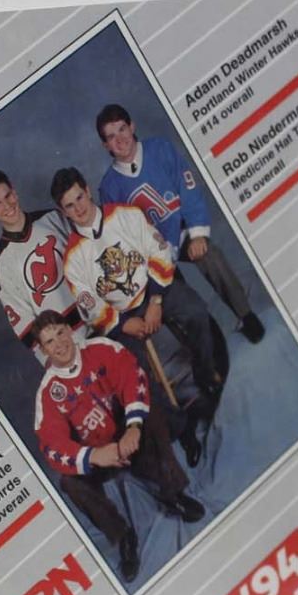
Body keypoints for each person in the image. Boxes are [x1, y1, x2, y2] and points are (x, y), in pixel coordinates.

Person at [50, 167, 227, 464]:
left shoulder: (126, 215)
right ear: (62, 211)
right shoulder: (72, 258)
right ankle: (181, 428)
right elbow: (92, 307)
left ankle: (205, 373)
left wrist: (156, 301)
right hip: (122, 316)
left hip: (155, 290)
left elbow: (159, 253)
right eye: (69, 205)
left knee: (195, 311)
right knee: (134, 372)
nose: (78, 208)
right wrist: (123, 323)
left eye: (79, 197)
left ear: (88, 191)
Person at [30, 311, 203, 583]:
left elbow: (133, 376)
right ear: (43, 351)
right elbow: (52, 446)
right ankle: (123, 537)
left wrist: (133, 426)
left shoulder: (101, 348)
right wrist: (94, 456)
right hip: (99, 457)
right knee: (68, 482)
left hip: (127, 437)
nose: (59, 343)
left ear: (69, 330)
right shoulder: (47, 393)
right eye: (50, 341)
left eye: (61, 333)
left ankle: (173, 493)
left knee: (150, 412)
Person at [95, 103, 264, 343]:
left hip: (182, 232)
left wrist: (197, 233)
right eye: (112, 137)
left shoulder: (160, 149)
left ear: (132, 126)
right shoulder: (109, 187)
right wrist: (151, 272)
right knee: (166, 297)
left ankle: (246, 316)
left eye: (122, 129)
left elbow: (188, 189)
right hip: (152, 253)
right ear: (105, 145)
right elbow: (123, 238)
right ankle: (207, 344)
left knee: (210, 255)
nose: (120, 139)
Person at [0, 169, 84, 361]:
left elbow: (88, 257)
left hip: (102, 317)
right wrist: (54, 364)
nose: (7, 205)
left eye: (8, 196)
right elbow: (27, 328)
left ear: (14, 192)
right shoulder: (2, 266)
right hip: (69, 347)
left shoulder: (53, 218)